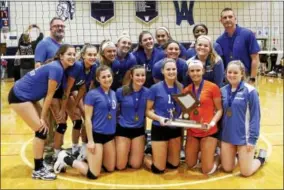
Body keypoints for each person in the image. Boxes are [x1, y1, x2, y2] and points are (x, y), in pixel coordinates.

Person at [8, 44, 76, 180]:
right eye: (69, 54)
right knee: (41, 130)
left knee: (44, 129)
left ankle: (42, 163)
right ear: (61, 55)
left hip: (28, 96)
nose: (72, 57)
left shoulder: (58, 67)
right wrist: (42, 118)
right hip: (19, 96)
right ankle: (38, 170)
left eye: (74, 54)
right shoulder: (57, 68)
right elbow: (49, 96)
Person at [54, 65, 117, 179]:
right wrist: (91, 141)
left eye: (109, 76)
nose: (107, 79)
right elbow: (87, 118)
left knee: (110, 168)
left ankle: (89, 158)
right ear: (98, 79)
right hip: (97, 136)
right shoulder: (92, 94)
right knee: (93, 174)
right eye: (103, 77)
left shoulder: (113, 93)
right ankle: (65, 158)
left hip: (110, 137)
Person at [220, 60, 267, 177]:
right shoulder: (222, 91)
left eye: (235, 72)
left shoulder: (250, 91)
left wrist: (252, 139)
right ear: (226, 73)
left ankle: (261, 157)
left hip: (244, 138)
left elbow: (256, 117)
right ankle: (238, 156)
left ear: (242, 74)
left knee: (246, 172)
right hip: (227, 136)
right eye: (229, 72)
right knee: (227, 168)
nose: (232, 75)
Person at [182, 59, 223, 175]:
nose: (195, 73)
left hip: (208, 131)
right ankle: (204, 154)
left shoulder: (213, 87)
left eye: (198, 70)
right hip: (192, 132)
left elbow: (219, 110)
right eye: (192, 71)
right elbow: (187, 112)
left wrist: (212, 123)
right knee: (190, 164)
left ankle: (217, 156)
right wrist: (184, 123)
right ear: (188, 73)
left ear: (203, 71)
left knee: (206, 170)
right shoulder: (186, 90)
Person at [144, 58, 182, 174]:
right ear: (162, 71)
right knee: (159, 169)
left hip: (175, 128)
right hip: (159, 127)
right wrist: (159, 118)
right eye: (168, 69)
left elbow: (187, 108)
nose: (171, 72)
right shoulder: (155, 88)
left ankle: (160, 153)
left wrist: (183, 117)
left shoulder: (181, 87)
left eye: (174, 69)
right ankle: (146, 155)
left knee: (173, 165)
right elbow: (147, 111)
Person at [115, 65, 149, 170]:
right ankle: (127, 151)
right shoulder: (121, 91)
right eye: (137, 75)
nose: (140, 78)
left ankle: (143, 152)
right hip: (123, 129)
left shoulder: (148, 92)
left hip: (138, 130)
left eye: (143, 75)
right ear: (131, 76)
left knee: (135, 165)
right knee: (120, 166)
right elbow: (115, 110)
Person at [216, 8, 260, 85]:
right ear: (221, 21)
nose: (227, 19)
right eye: (225, 17)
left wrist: (252, 78)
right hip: (229, 78)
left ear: (235, 18)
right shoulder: (219, 40)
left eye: (230, 17)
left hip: (246, 77)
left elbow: (255, 58)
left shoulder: (247, 34)